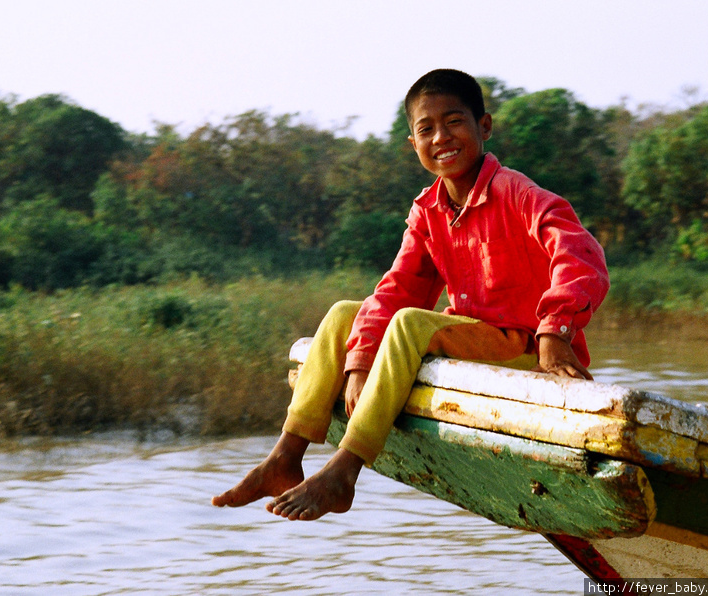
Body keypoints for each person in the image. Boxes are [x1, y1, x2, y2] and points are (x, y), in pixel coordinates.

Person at [212, 69, 609, 521]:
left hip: (521, 345)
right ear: (413, 144)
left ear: (484, 127)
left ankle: (344, 470)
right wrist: (360, 363)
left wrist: (554, 332)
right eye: (426, 129)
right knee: (346, 312)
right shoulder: (428, 210)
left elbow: (581, 255)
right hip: (473, 337)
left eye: (455, 121)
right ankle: (286, 454)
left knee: (409, 323)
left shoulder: (516, 193)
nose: (441, 136)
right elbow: (396, 289)